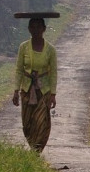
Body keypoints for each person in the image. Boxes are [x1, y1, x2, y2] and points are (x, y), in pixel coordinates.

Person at [12, 17, 58, 152]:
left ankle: (36, 151)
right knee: (27, 124)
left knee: (40, 122)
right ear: (29, 29)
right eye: (33, 27)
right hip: (26, 90)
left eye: (38, 27)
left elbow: (53, 73)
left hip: (43, 91)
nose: (35, 30)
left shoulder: (50, 50)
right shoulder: (23, 47)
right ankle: (33, 147)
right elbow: (19, 69)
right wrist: (16, 90)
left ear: (44, 29)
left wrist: (53, 94)